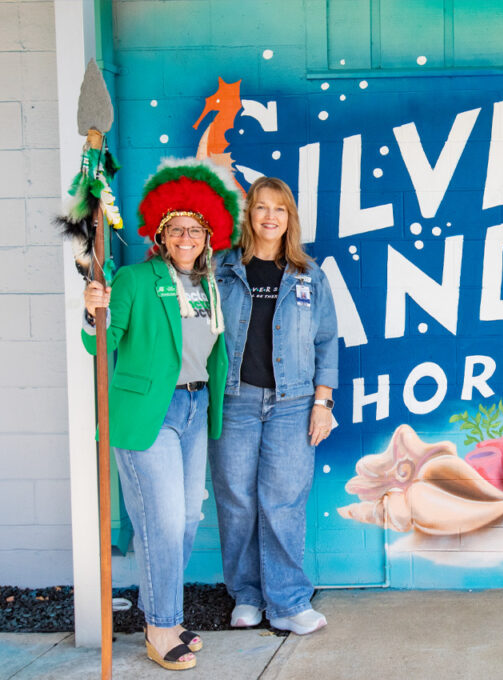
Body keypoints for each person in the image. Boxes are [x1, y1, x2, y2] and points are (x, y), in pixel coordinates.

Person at [82, 159, 241, 671]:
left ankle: (164, 616)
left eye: (195, 230)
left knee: (187, 518)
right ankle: (160, 627)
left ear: (208, 237)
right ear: (161, 236)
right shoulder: (133, 279)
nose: (186, 238)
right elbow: (99, 343)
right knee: (164, 521)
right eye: (176, 229)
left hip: (195, 407)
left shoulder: (209, 285)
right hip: (148, 411)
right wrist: (93, 310)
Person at [208, 176, 339, 635]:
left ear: (289, 218)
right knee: (237, 503)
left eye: (279, 209)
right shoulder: (221, 268)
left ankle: (287, 601)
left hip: (293, 404)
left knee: (283, 503)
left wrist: (323, 402)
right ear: (249, 214)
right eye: (261, 207)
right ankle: (246, 595)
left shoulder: (309, 274)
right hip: (235, 401)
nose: (270, 216)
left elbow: (327, 341)